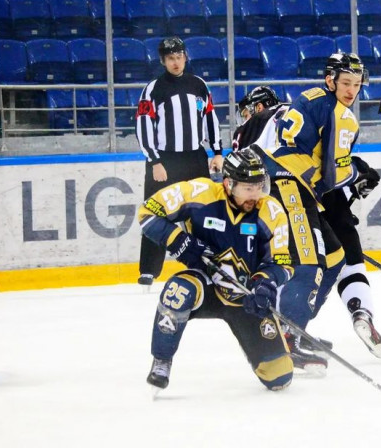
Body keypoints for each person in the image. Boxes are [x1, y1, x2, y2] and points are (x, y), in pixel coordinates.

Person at [264, 52, 381, 362]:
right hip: (288, 182)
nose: (351, 90)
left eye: (357, 84)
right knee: (309, 262)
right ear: (331, 80)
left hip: (285, 181)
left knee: (334, 257)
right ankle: (285, 341)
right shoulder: (343, 115)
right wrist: (359, 172)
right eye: (345, 82)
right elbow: (333, 174)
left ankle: (295, 329)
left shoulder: (311, 96)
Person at [139, 147, 294, 394]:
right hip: (206, 284)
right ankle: (161, 361)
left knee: (280, 378)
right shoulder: (199, 193)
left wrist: (265, 282)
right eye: (248, 188)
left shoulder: (270, 210)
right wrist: (180, 241)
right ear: (228, 183)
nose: (255, 194)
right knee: (178, 290)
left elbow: (283, 263)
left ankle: (272, 345)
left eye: (259, 186)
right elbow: (147, 212)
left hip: (246, 297)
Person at [231, 86, 331, 374]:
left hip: (286, 193)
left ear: (261, 106)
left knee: (323, 260)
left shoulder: (257, 123)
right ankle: (286, 335)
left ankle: (292, 329)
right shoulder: (296, 113)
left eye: (249, 109)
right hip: (290, 192)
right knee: (309, 263)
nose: (247, 116)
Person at [135, 36, 224, 288]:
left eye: (180, 57)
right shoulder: (153, 89)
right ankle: (149, 270)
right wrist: (154, 160)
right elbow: (143, 126)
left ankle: (209, 263)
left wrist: (217, 151)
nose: (176, 62)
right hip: (165, 160)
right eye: (171, 58)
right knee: (156, 212)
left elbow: (210, 118)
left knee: (205, 212)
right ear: (163, 61)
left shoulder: (199, 85)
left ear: (185, 57)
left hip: (195, 157)